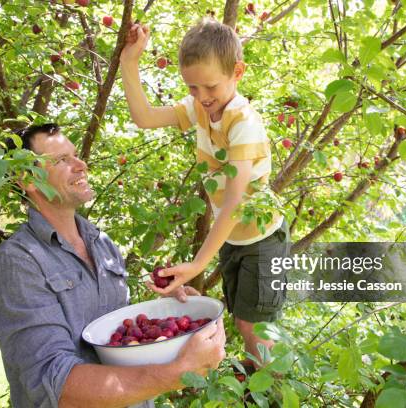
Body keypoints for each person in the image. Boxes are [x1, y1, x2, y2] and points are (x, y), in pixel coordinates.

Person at [0, 124, 226, 408]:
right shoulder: (17, 265)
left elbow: (113, 338)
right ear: (27, 180)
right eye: (61, 160)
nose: (81, 165)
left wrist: (167, 315)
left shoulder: (101, 243)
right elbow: (57, 384)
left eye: (75, 155)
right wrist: (175, 374)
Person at [120, 18, 290, 372]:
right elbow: (144, 117)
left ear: (237, 72)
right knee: (241, 319)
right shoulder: (200, 109)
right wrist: (129, 62)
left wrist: (198, 264)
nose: (202, 97)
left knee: (253, 326)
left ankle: (271, 390)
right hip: (234, 240)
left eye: (209, 86)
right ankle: (254, 387)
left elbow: (234, 202)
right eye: (193, 87)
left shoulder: (244, 123)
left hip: (263, 238)